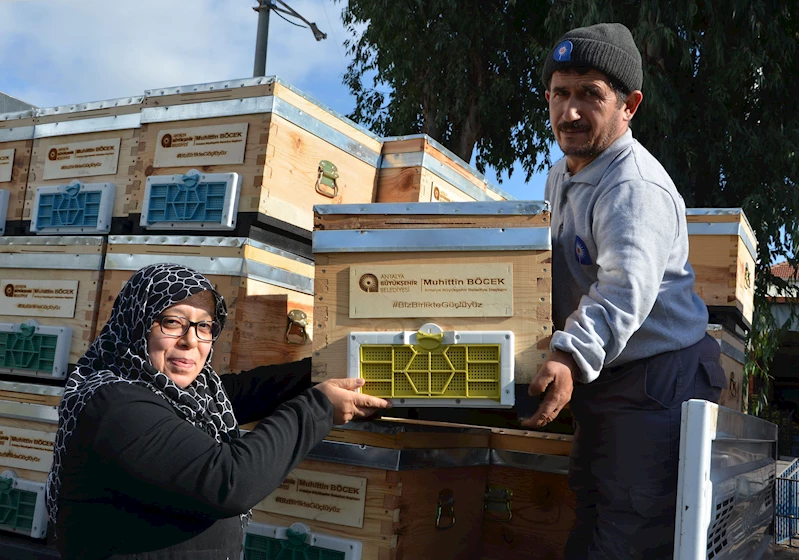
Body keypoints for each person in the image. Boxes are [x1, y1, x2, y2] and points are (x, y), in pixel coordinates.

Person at [521, 23, 727, 559]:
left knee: (626, 534)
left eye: (591, 95)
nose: (570, 111)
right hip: (611, 378)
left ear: (629, 105)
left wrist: (567, 355)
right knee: (592, 509)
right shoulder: (560, 176)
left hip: (658, 381)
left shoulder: (633, 186)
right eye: (561, 93)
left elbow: (622, 292)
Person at [46, 263, 389, 560]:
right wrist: (319, 408)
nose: (190, 340)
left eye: (204, 326)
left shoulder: (189, 395)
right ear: (136, 325)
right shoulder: (114, 406)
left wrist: (340, 364)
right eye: (171, 322)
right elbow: (229, 481)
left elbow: (254, 389)